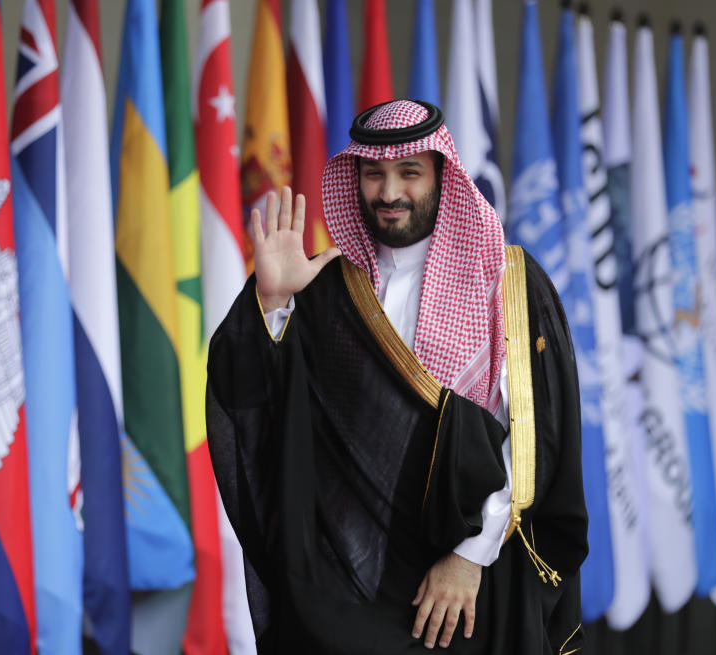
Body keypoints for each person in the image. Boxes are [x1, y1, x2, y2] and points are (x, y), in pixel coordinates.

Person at [206, 100, 587, 654]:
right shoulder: (329, 286)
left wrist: (468, 558)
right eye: (373, 174)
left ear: (441, 176)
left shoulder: (508, 283)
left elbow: (533, 440)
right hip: (351, 588)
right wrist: (273, 302)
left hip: (464, 591)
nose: (389, 193)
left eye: (409, 173)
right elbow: (260, 410)